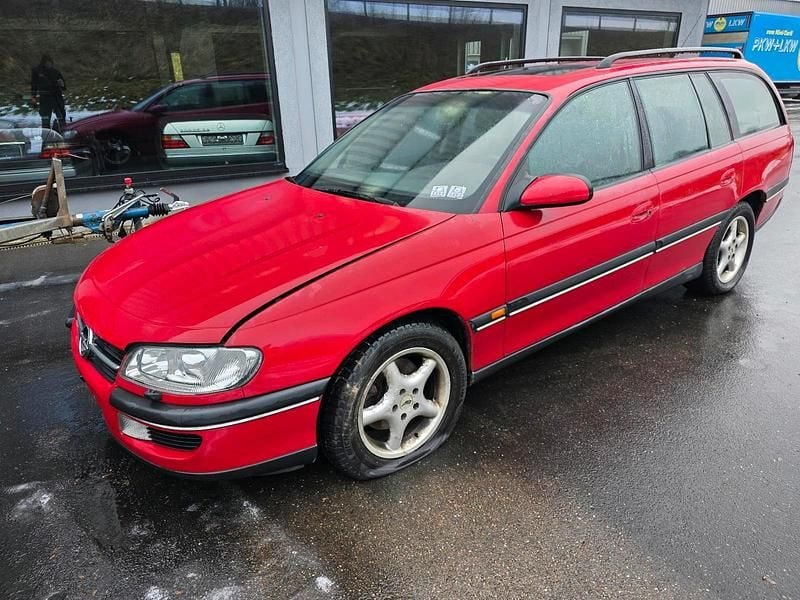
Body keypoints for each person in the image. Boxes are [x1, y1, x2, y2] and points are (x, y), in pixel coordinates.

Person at [31, 54, 66, 132]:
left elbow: (64, 86)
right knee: (45, 119)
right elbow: (34, 85)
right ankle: (46, 135)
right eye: (47, 62)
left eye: (50, 62)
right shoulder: (37, 72)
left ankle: (64, 132)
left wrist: (61, 84)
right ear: (43, 63)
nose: (48, 64)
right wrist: (33, 97)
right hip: (45, 98)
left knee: (61, 117)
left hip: (57, 97)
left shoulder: (56, 72)